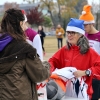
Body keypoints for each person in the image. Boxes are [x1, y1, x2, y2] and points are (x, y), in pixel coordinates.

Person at [0, 8, 50, 100]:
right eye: (24, 23)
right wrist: (46, 65)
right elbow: (40, 75)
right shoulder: (24, 49)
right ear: (20, 23)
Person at [48, 18, 100, 100]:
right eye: (68, 32)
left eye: (73, 33)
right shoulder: (64, 50)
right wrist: (48, 71)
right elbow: (52, 61)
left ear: (81, 35)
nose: (69, 35)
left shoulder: (89, 52)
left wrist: (85, 72)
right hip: (65, 93)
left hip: (83, 94)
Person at [79, 5, 100, 100]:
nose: (83, 27)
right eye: (82, 25)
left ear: (92, 24)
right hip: (85, 73)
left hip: (96, 74)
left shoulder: (99, 36)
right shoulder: (83, 36)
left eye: (85, 25)